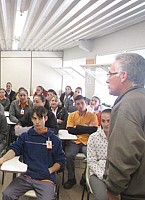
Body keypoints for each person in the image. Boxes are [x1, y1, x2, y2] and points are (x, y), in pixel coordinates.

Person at [104, 53, 145, 200]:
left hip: (132, 191)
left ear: (123, 76)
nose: (107, 79)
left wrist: (113, 188)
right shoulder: (141, 98)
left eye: (110, 74)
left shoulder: (127, 105)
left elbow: (124, 152)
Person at [1, 106, 65, 200]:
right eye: (35, 119)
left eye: (40, 118)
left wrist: (49, 171)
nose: (37, 122)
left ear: (46, 118)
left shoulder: (54, 140)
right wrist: (2, 159)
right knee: (7, 194)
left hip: (45, 178)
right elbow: (14, 149)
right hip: (27, 176)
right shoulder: (25, 136)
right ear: (31, 119)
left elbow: (60, 161)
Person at [63, 95, 98, 189]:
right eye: (78, 104)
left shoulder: (92, 116)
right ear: (75, 105)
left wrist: (77, 127)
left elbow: (94, 130)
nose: (80, 105)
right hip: (75, 140)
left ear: (86, 103)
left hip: (88, 142)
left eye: (82, 103)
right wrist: (86, 127)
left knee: (91, 157)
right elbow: (70, 130)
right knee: (69, 155)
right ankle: (71, 178)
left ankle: (84, 178)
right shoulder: (72, 115)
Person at [87, 109, 111, 200]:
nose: (106, 124)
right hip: (98, 173)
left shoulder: (119, 136)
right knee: (102, 198)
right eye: (103, 121)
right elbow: (91, 161)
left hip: (115, 173)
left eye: (109, 121)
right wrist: (103, 176)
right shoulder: (93, 137)